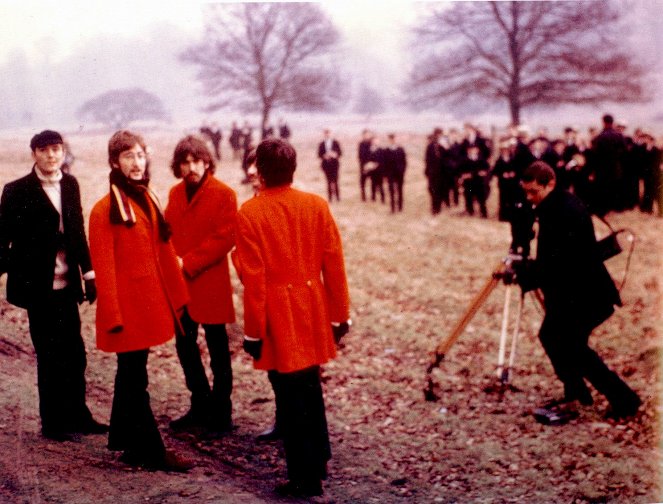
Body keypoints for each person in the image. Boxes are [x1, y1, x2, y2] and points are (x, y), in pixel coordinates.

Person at [234, 138, 351, 498]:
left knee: (291, 395)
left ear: (262, 171)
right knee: (310, 387)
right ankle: (320, 459)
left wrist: (252, 332)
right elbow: (334, 264)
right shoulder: (316, 204)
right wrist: (339, 315)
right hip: (312, 305)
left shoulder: (250, 213)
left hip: (278, 311)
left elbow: (254, 282)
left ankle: (304, 478)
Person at [89, 130, 192, 472]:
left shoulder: (146, 198)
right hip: (127, 312)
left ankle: (126, 441)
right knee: (135, 379)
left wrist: (177, 296)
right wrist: (113, 315)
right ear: (114, 162)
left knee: (131, 373)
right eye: (128, 156)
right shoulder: (104, 211)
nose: (137, 162)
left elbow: (164, 251)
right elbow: (104, 272)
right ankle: (152, 450)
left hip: (149, 306)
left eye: (140, 155)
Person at [0, 130, 107, 442]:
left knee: (75, 352)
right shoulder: (17, 190)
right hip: (38, 288)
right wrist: (16, 267)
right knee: (49, 354)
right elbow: (1, 238)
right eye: (44, 150)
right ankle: (53, 422)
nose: (51, 155)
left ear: (63, 152)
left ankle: (79, 415)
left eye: (57, 149)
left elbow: (77, 232)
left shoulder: (70, 184)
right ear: (34, 153)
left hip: (67, 284)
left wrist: (89, 275)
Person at [517, 161, 641, 421]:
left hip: (586, 294)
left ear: (549, 184)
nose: (529, 198)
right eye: (525, 192)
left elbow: (560, 261)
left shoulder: (563, 210)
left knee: (569, 344)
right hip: (573, 292)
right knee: (554, 337)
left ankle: (624, 399)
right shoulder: (555, 205)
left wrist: (527, 273)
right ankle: (576, 394)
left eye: (533, 192)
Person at [165, 135, 237, 435]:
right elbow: (166, 230)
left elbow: (225, 238)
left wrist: (189, 261)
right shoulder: (175, 193)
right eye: (185, 162)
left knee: (218, 349)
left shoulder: (224, 194)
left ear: (207, 161)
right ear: (178, 166)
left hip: (210, 282)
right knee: (185, 346)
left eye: (196, 161)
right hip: (181, 285)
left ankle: (221, 413)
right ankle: (200, 403)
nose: (191, 167)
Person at [382, 133, 407, 213]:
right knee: (391, 190)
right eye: (390, 139)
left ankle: (400, 207)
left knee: (400, 190)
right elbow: (384, 163)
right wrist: (385, 174)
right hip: (390, 173)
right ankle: (392, 208)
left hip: (399, 173)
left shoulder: (400, 149)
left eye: (393, 138)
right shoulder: (386, 150)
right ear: (389, 140)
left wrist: (402, 170)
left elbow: (404, 161)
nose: (392, 140)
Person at [317, 129, 342, 202]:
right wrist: (324, 156)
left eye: (328, 133)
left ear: (331, 134)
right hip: (326, 165)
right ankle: (330, 198)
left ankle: (337, 198)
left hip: (335, 164)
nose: (327, 135)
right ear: (324, 134)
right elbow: (319, 154)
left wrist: (335, 154)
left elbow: (340, 153)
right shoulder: (321, 144)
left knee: (336, 181)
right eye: (325, 133)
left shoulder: (336, 142)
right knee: (328, 181)